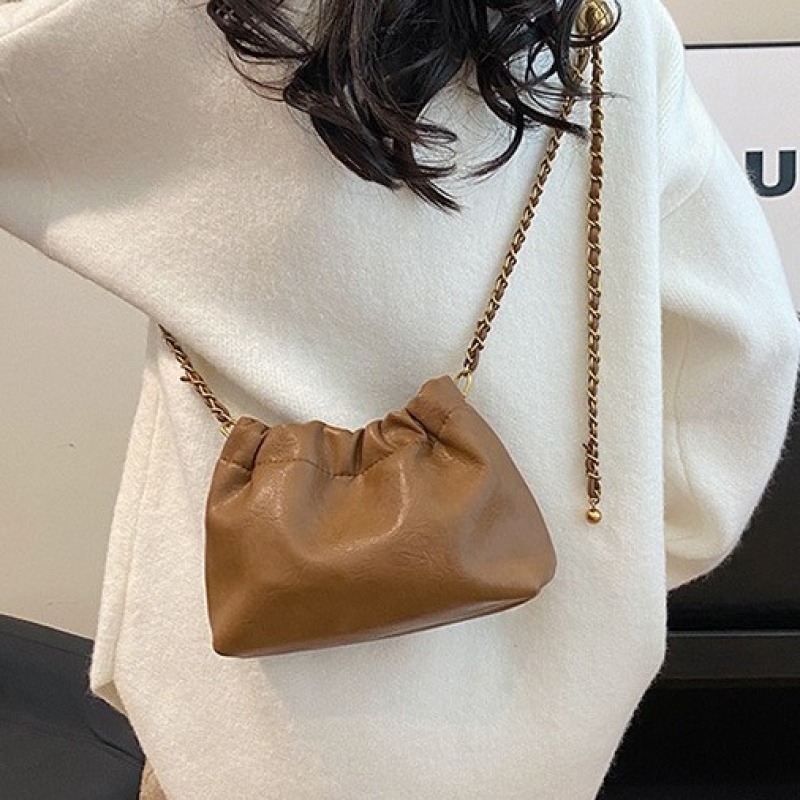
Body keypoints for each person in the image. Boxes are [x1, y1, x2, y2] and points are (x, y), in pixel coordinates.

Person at [1, 0, 798, 798]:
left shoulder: (151, 25)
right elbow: (741, 347)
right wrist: (627, 559)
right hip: (544, 710)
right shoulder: (605, 29)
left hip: (238, 724)